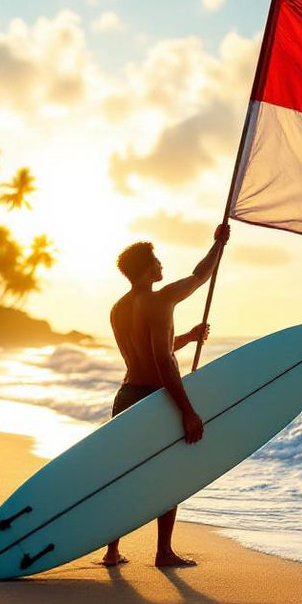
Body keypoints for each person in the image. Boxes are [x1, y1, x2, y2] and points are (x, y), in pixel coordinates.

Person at [102, 222, 230, 568]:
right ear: (146, 270)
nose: (161, 266)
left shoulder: (118, 309)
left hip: (127, 395)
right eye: (156, 262)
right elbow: (162, 361)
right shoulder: (160, 300)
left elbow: (145, 352)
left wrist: (187, 338)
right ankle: (163, 552)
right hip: (154, 399)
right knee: (170, 472)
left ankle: (112, 550)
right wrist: (218, 244)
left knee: (122, 474)